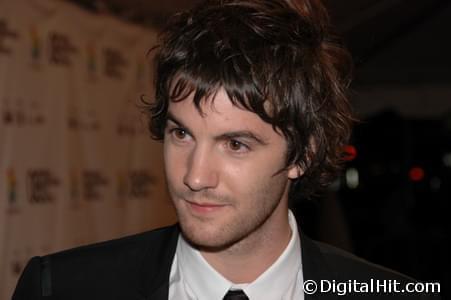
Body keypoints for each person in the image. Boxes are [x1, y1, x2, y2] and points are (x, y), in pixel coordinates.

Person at [12, 0, 441, 299]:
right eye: (182, 135)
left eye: (235, 144)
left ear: (303, 155)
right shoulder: (62, 288)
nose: (195, 176)